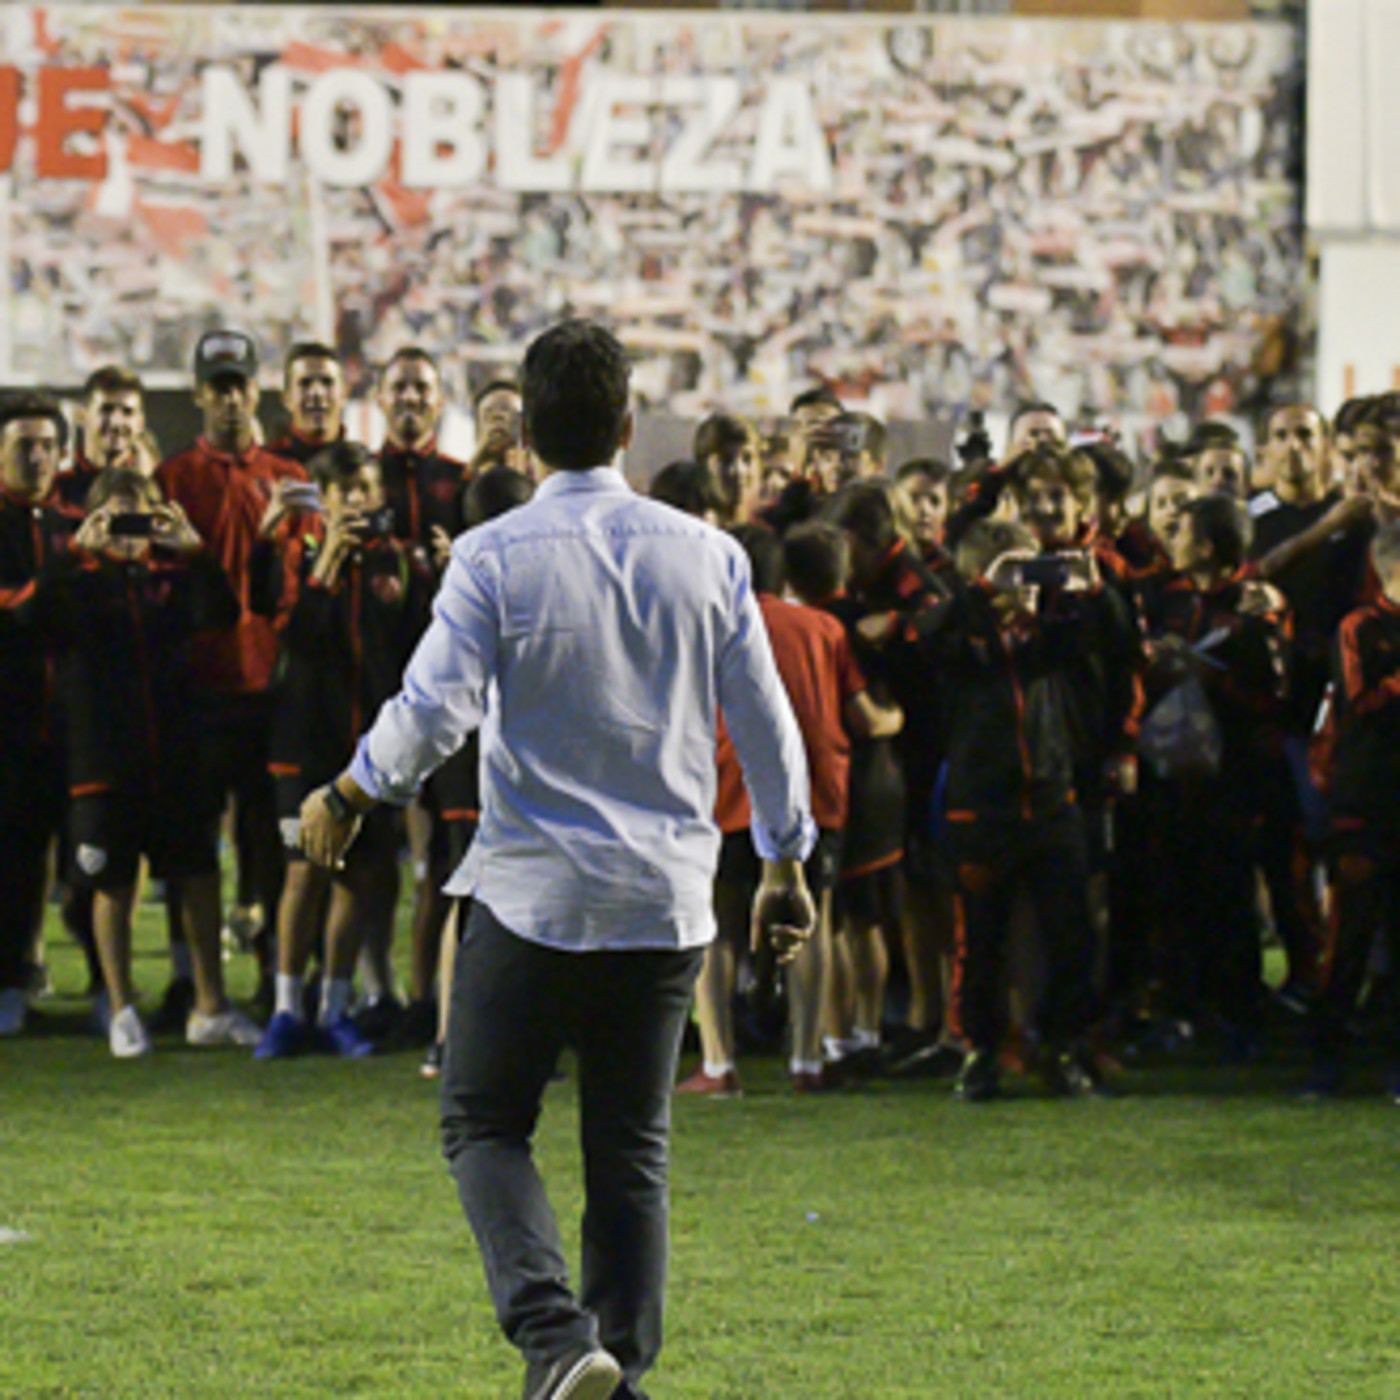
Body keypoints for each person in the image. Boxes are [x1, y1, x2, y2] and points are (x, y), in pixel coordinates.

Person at [298, 320, 816, 1400]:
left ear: (523, 436)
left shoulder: (492, 552)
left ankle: (554, 1340)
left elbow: (431, 708)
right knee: (630, 1149)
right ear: (628, 426)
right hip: (665, 899)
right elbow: (764, 724)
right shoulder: (709, 553)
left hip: (532, 893)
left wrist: (350, 791)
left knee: (483, 1119)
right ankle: (612, 1368)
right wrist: (782, 858)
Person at [42, 469, 241, 1057]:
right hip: (105, 759)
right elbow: (35, 621)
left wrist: (197, 552)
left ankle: (210, 1005)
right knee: (113, 884)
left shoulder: (172, 580)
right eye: (117, 517)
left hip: (176, 756)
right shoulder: (78, 583)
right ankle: (122, 1007)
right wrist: (76, 556)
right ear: (94, 519)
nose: (130, 533)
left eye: (140, 517)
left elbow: (222, 615)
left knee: (198, 875)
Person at [252, 443, 434, 1060]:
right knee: (303, 872)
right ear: (322, 500)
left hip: (369, 749)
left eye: (365, 488)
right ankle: (284, 1008)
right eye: (344, 491)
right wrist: (324, 565)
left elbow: (418, 648)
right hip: (301, 743)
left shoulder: (398, 562)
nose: (357, 500)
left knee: (359, 877)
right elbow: (294, 637)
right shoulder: (295, 555)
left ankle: (335, 1007)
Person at [156, 328, 312, 1036]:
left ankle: (272, 988)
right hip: (197, 688)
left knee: (270, 848)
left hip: (272, 689)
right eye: (216, 386)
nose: (228, 398)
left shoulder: (286, 476)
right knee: (194, 847)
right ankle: (208, 998)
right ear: (197, 393)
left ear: (257, 390)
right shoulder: (171, 479)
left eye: (238, 385)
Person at [1305, 523, 1400, 1099]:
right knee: (1349, 938)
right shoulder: (1360, 627)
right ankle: (1326, 1059)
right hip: (1365, 804)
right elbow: (1361, 700)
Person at [0, 393, 78, 1036]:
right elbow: (16, 609)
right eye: (24, 445)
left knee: (91, 860)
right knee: (14, 860)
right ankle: (9, 983)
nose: (38, 457)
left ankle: (111, 986)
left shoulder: (71, 523)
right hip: (11, 723)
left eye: (48, 445)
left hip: (75, 725)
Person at [55, 365, 150, 510]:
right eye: (106, 409)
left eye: (127, 412)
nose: (116, 422)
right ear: (81, 415)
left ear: (140, 423)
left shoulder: (156, 490)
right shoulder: (56, 491)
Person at [267, 341, 349, 466]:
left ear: (344, 395)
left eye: (327, 382)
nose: (317, 393)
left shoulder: (366, 468)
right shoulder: (266, 466)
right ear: (286, 398)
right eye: (305, 383)